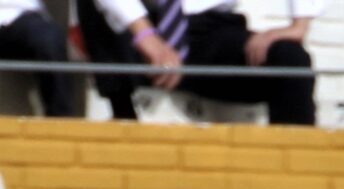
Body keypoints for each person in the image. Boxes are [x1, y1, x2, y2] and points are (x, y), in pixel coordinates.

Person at [76, 0, 320, 126]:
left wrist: (299, 25)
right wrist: (145, 35)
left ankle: (295, 182)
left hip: (211, 31)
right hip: (136, 30)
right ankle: (123, 119)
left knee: (290, 60)